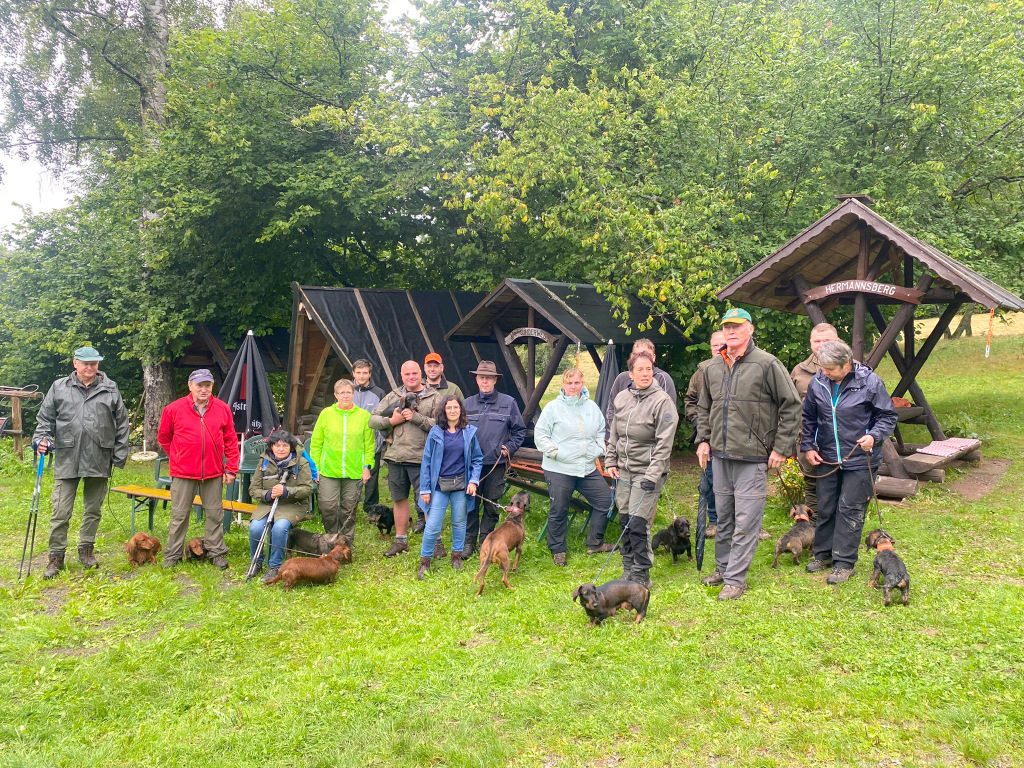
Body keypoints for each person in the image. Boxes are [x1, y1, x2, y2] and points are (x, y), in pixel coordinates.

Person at [696, 308, 801, 600]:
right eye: (727, 326)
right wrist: (703, 440)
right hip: (719, 456)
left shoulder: (767, 364)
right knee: (725, 518)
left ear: (750, 330)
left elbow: (791, 406)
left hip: (753, 457)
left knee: (746, 521)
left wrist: (781, 448)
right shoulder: (713, 368)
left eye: (737, 326)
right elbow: (705, 408)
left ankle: (736, 579)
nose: (731, 331)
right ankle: (723, 569)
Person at [801, 340, 897, 584]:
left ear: (846, 365)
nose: (825, 373)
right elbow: (809, 417)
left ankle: (844, 562)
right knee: (826, 506)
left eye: (830, 369)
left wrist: (873, 436)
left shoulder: (870, 382)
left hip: (860, 457)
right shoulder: (818, 382)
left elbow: (887, 416)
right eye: (822, 368)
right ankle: (823, 554)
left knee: (850, 508)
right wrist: (808, 446)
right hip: (827, 457)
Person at [32, 346, 130, 578]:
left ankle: (86, 549)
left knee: (93, 509)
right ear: (75, 363)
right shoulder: (59, 387)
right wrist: (41, 440)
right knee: (60, 511)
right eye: (85, 363)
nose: (90, 367)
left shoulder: (110, 388)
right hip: (67, 455)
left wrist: (118, 454)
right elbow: (45, 420)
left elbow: (122, 423)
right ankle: (56, 557)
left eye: (94, 363)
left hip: (99, 455)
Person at [605, 352, 679, 587]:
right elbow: (614, 433)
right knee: (624, 519)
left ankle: (641, 574)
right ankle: (628, 567)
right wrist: (610, 461)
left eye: (649, 369)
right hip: (625, 470)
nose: (645, 373)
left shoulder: (662, 401)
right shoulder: (622, 398)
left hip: (648, 472)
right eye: (640, 370)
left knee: (638, 523)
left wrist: (653, 474)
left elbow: (664, 443)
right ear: (631, 374)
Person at [158, 368, 240, 569]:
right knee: (179, 515)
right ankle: (173, 555)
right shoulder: (173, 409)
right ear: (190, 386)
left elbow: (230, 440)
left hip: (213, 472)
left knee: (214, 513)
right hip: (183, 473)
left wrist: (231, 468)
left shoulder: (222, 409)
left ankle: (216, 552)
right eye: (199, 385)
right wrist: (179, 456)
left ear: (212, 386)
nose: (204, 390)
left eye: (208, 385)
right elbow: (164, 437)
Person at [535, 367, 616, 566]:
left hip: (586, 467)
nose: (573, 387)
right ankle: (558, 549)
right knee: (559, 508)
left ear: (582, 384)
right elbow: (540, 436)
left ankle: (595, 542)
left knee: (605, 500)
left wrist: (598, 449)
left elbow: (600, 430)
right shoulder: (553, 408)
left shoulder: (591, 407)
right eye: (569, 383)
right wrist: (556, 452)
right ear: (563, 385)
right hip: (559, 468)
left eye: (577, 383)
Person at [369, 361, 441, 553]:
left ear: (421, 374)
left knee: (427, 500)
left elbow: (442, 424)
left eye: (414, 373)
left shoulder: (434, 396)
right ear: (402, 376)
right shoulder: (393, 396)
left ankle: (436, 542)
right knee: (399, 499)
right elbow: (372, 419)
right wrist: (392, 420)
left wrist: (416, 418)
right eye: (407, 374)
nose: (411, 377)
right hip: (396, 457)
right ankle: (400, 541)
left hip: (422, 458)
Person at [462, 360, 527, 557]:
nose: (485, 381)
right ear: (477, 379)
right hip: (471, 465)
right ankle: (469, 542)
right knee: (470, 505)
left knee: (491, 505)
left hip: (495, 464)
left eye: (489, 378)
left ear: (495, 380)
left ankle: (485, 542)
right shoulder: (467, 404)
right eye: (482, 378)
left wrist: (510, 447)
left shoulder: (508, 403)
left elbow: (519, 431)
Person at [417, 396, 483, 579]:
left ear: (461, 410)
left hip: (461, 485)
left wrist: (473, 481)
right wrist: (425, 489)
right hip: (439, 486)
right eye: (449, 407)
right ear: (443, 411)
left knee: (460, 522)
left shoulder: (468, 432)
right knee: (432, 524)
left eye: (456, 407)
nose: (453, 410)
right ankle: (425, 562)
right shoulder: (436, 432)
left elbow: (477, 459)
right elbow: (427, 461)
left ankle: (456, 556)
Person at [310, 378, 375, 545]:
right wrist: (315, 467)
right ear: (335, 395)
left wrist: (367, 467)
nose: (345, 395)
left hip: (354, 471)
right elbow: (316, 443)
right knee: (327, 506)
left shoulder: (363, 416)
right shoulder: (326, 414)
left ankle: (346, 543)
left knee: (349, 509)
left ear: (353, 394)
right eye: (342, 392)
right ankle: (332, 540)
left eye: (349, 392)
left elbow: (370, 446)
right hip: (328, 470)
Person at [247, 429, 315, 583]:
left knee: (280, 527)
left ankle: (275, 566)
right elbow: (253, 489)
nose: (281, 449)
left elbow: (307, 489)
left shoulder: (301, 463)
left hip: (292, 505)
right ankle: (256, 562)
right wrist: (267, 494)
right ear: (271, 446)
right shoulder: (264, 462)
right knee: (255, 528)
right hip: (267, 504)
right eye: (277, 445)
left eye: (285, 446)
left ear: (291, 447)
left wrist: (286, 491)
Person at [790, 322, 840, 522]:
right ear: (810, 343)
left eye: (826, 340)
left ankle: (838, 529)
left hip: (839, 441)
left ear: (837, 341)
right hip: (808, 440)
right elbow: (790, 406)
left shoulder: (849, 367)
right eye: (816, 341)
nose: (821, 345)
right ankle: (811, 532)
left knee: (839, 485)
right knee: (812, 485)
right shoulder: (800, 371)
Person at [683, 330, 726, 538]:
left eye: (722, 345)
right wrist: (699, 423)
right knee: (710, 479)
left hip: (734, 437)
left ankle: (741, 522)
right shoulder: (701, 372)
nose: (718, 349)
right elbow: (689, 401)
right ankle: (715, 521)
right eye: (714, 346)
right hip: (707, 437)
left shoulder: (738, 367)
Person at [604, 338, 678, 439]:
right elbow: (611, 410)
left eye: (646, 355)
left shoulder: (663, 379)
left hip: (650, 445)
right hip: (621, 442)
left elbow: (668, 417)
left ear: (654, 357)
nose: (642, 358)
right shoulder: (621, 379)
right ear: (632, 356)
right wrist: (615, 437)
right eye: (638, 354)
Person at [351, 359, 386, 506]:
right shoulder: (347, 391)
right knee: (352, 476)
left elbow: (385, 417)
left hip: (373, 442)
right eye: (358, 373)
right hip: (351, 443)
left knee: (371, 476)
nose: (361, 376)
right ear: (353, 373)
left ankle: (370, 507)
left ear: (370, 374)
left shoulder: (378, 393)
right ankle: (351, 504)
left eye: (365, 373)